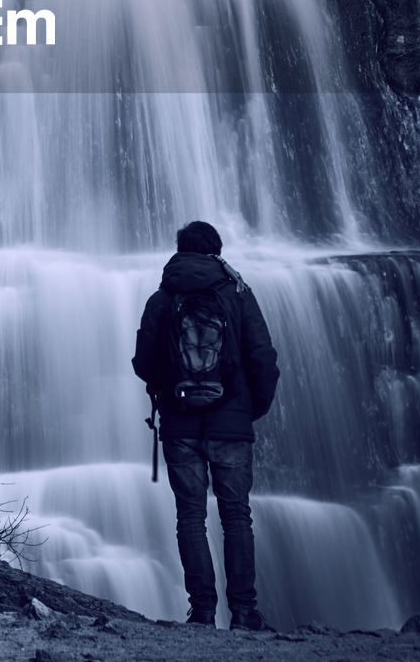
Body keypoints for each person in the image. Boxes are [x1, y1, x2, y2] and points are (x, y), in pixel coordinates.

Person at [132, 220, 279, 631]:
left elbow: (144, 363)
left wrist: (169, 389)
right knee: (236, 516)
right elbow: (262, 358)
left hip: (180, 426)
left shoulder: (162, 298)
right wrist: (251, 408)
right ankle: (245, 613)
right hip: (231, 422)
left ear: (180, 251)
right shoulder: (238, 294)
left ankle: (201, 613)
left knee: (190, 517)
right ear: (216, 252)